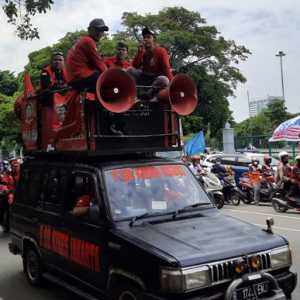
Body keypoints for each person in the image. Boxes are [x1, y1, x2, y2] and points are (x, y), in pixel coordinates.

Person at [66, 18, 108, 92]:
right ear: (90, 30)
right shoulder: (88, 41)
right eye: (97, 29)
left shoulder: (83, 40)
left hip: (73, 77)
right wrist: (112, 76)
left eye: (102, 30)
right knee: (107, 79)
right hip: (80, 77)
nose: (100, 33)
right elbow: (100, 65)